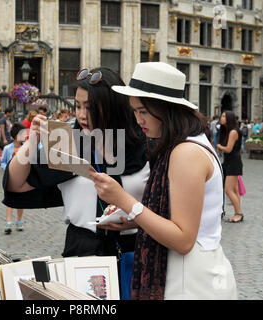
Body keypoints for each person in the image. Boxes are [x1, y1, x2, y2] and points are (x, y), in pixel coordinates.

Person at [89, 62, 237, 300]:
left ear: (166, 109)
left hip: (190, 281)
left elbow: (183, 239)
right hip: (196, 274)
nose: (138, 120)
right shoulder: (189, 141)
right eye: (135, 112)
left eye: (143, 112)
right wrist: (133, 222)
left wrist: (124, 200)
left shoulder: (185, 153)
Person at [3, 67, 151, 258]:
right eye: (78, 106)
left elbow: (171, 209)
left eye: (89, 107)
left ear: (113, 105)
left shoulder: (144, 142)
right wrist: (33, 141)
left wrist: (140, 220)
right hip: (83, 252)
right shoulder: (66, 141)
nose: (81, 115)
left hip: (138, 252)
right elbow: (16, 185)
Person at [217, 110, 243, 223]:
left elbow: (228, 149)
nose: (221, 118)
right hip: (229, 162)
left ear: (229, 118)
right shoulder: (228, 131)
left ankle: (238, 214)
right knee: (234, 190)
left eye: (223, 116)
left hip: (233, 162)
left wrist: (218, 146)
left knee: (228, 189)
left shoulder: (233, 132)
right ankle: (238, 212)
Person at [1, 123, 27, 234]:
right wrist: (6, 168)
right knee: (9, 200)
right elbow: (2, 162)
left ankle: (19, 221)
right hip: (10, 178)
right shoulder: (7, 148)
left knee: (21, 201)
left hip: (23, 177)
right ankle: (8, 222)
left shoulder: (26, 147)